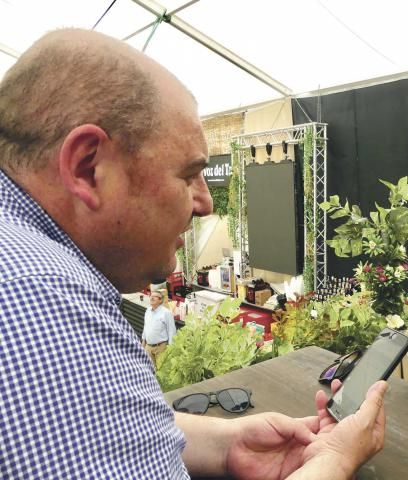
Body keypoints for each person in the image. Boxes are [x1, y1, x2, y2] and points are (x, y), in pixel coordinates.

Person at [0, 29, 386, 479]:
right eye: (188, 175)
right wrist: (335, 460)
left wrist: (226, 444)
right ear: (88, 168)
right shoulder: (41, 303)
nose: (205, 203)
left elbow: (83, 430)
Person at [142, 290, 177, 368]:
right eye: (151, 296)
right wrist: (143, 343)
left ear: (160, 300)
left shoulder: (166, 313)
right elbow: (145, 327)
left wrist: (170, 349)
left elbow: (172, 331)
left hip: (161, 348)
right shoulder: (147, 310)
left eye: (155, 297)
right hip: (148, 347)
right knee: (150, 370)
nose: (152, 298)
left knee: (162, 371)